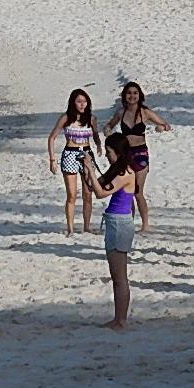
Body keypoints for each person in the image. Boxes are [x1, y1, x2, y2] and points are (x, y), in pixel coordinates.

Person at [81, 133, 137, 330]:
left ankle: (121, 320)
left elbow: (100, 193)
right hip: (114, 222)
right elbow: (94, 184)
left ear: (119, 152)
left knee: (120, 277)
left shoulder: (126, 173)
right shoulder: (117, 169)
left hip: (120, 224)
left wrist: (89, 168)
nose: (107, 155)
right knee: (116, 276)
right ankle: (118, 318)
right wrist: (87, 169)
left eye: (110, 152)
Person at [101, 82, 171, 232]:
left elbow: (165, 124)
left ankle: (145, 225)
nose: (132, 96)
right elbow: (109, 125)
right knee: (127, 190)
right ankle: (129, 221)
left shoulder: (145, 112)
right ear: (124, 96)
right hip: (125, 153)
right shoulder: (121, 112)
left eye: (135, 93)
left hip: (140, 153)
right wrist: (107, 130)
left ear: (139, 96)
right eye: (129, 93)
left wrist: (161, 127)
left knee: (138, 192)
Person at [47, 88, 102, 236]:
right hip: (70, 153)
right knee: (71, 194)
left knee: (88, 193)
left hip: (86, 154)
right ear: (73, 103)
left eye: (84, 101)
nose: (82, 104)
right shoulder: (66, 118)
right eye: (79, 101)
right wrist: (52, 159)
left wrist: (99, 145)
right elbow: (52, 137)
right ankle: (70, 228)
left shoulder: (91, 118)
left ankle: (87, 226)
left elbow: (95, 135)